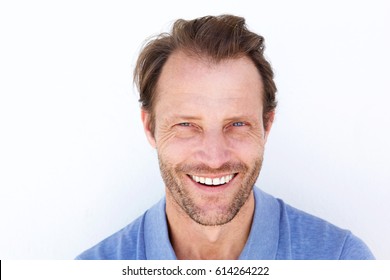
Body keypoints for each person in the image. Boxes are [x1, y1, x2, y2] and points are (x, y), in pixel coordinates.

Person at [76, 14, 374, 260]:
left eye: (238, 124)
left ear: (266, 126)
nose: (215, 158)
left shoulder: (341, 260)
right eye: (186, 125)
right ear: (149, 127)